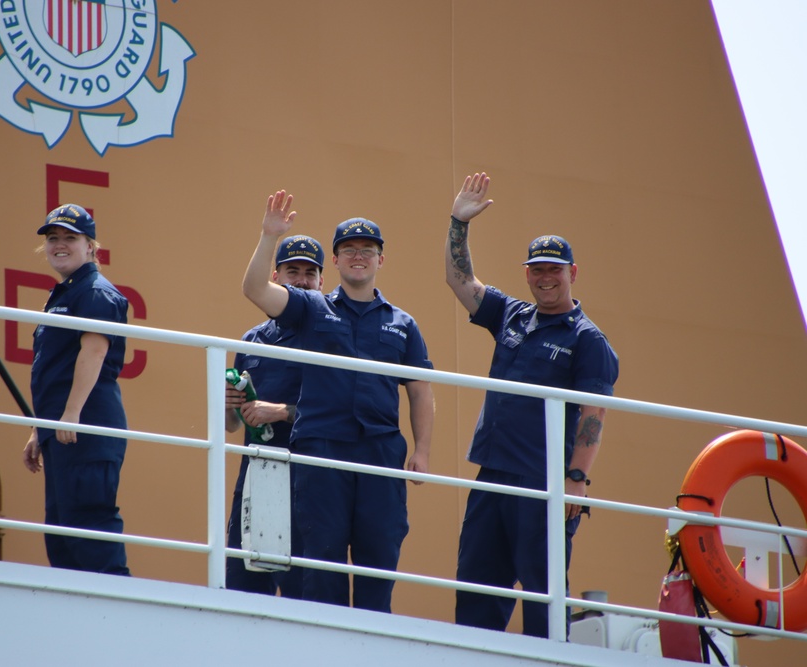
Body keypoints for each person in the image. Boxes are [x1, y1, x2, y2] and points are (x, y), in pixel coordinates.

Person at [242, 190, 434, 612]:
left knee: (379, 558)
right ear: (336, 261)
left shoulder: (403, 324)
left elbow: (420, 389)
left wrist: (421, 450)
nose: (359, 256)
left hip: (381, 452)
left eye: (368, 249)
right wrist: (268, 236)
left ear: (381, 260)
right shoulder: (311, 308)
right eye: (349, 249)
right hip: (322, 449)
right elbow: (256, 288)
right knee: (320, 560)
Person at [444, 173, 618, 637]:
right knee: (477, 590)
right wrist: (459, 223)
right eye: (537, 270)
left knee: (544, 596)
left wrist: (577, 481)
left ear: (572, 274)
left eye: (554, 270)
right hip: (493, 473)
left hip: (544, 482)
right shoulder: (512, 315)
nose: (545, 278)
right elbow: (459, 281)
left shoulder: (588, 340)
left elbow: (593, 414)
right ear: (527, 274)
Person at [22, 203, 131, 576]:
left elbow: (94, 350)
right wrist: (42, 428)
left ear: (91, 247)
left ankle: (119, 617)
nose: (60, 245)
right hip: (64, 429)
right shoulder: (66, 294)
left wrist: (71, 415)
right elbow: (54, 369)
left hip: (85, 426)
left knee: (90, 528)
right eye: (53, 238)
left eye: (71, 237)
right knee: (62, 535)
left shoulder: (96, 293)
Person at [224, 234, 326, 598]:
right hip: (256, 470)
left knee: (302, 587)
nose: (301, 280)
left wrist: (280, 412)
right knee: (243, 581)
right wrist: (231, 405)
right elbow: (232, 425)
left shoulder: (330, 335)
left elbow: (337, 411)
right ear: (276, 276)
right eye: (292, 271)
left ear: (321, 282)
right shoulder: (253, 338)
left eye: (309, 273)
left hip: (307, 473)